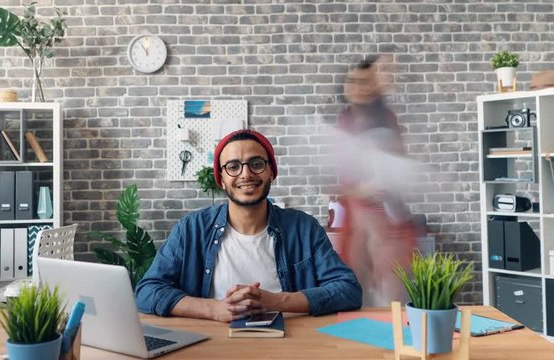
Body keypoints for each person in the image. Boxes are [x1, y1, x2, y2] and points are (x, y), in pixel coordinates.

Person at [135, 129, 362, 322]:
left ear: (271, 171)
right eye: (233, 166)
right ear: (221, 179)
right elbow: (147, 291)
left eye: (256, 163)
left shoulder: (304, 228)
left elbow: (348, 289)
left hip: (289, 344)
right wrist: (214, 309)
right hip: (211, 346)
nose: (246, 174)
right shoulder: (191, 229)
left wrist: (275, 301)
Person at [336, 55, 418, 307]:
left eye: (365, 81)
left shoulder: (387, 119)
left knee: (391, 301)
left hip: (388, 225)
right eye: (352, 81)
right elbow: (340, 180)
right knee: (355, 298)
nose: (357, 87)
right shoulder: (344, 121)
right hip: (358, 225)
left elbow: (398, 170)